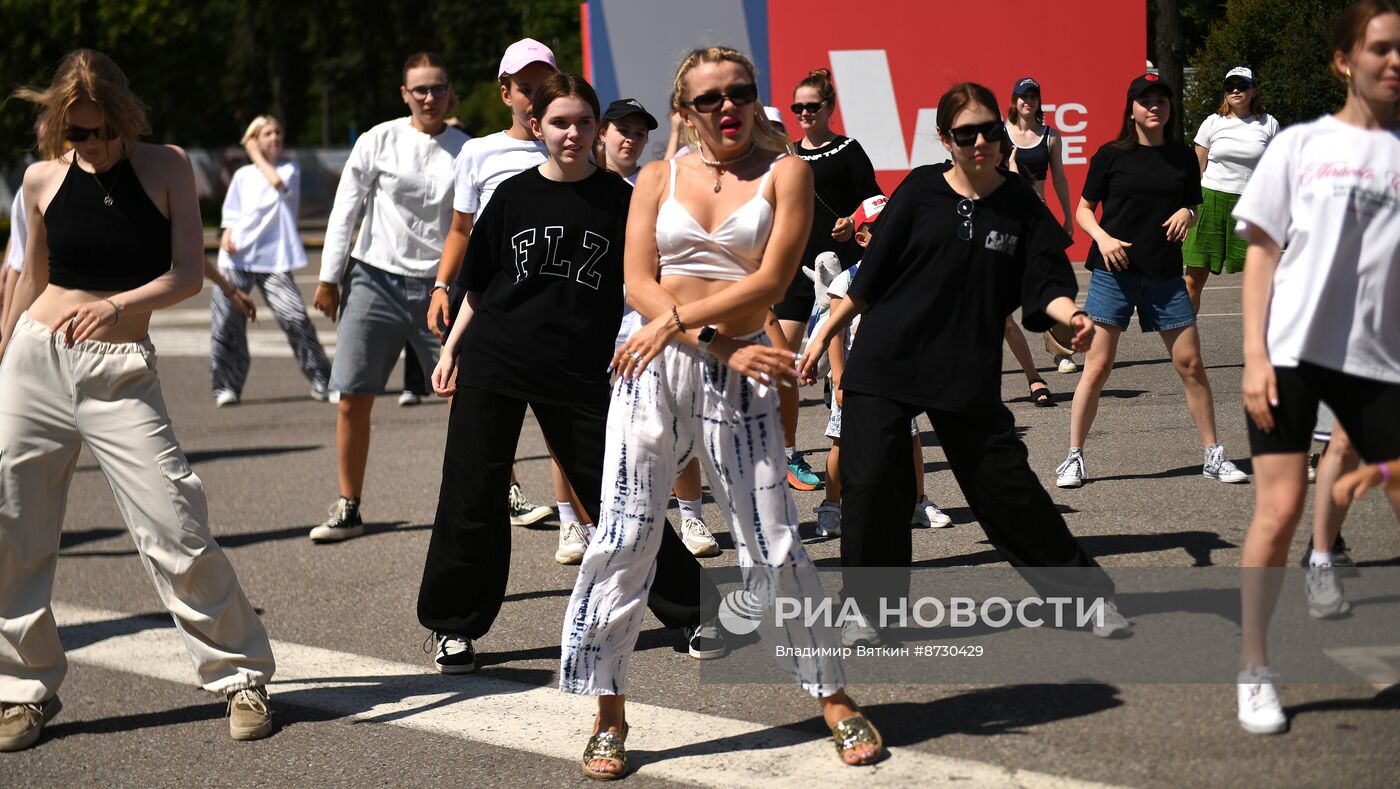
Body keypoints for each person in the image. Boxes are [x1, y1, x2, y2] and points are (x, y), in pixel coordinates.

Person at [561, 47, 884, 778]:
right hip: (649, 356)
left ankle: (832, 695)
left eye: (740, 92)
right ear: (686, 109)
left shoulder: (787, 172)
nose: (728, 106)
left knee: (770, 539)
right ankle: (607, 707)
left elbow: (769, 280)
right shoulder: (655, 176)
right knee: (624, 531)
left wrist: (707, 337)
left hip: (733, 354)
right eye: (710, 98)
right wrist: (700, 336)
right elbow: (636, 280)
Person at [0, 49, 275, 751]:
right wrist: (2, 357)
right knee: (12, 529)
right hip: (34, 363)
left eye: (99, 132)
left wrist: (118, 303)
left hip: (118, 365)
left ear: (124, 118)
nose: (89, 146)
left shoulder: (168, 166)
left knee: (174, 520)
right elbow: (29, 281)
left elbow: (186, 272)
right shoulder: (38, 180)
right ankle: (22, 690)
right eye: (74, 134)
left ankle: (241, 674)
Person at [799, 82, 1129, 648]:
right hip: (887, 358)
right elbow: (871, 276)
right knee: (874, 482)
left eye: (989, 131)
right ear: (944, 140)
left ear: (1002, 134)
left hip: (963, 366)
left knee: (1006, 492)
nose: (980, 142)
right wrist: (825, 331)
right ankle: (867, 610)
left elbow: (1045, 281)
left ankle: (1084, 597)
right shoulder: (921, 191)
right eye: (965, 133)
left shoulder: (1020, 205)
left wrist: (1070, 314)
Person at [417, 72, 721, 676]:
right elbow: (480, 286)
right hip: (495, 362)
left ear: (599, 130)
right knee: (470, 497)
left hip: (577, 370)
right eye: (560, 122)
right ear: (537, 127)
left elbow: (648, 283)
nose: (573, 133)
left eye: (585, 122)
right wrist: (452, 349)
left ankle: (693, 611)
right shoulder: (510, 196)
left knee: (619, 498)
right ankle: (454, 630)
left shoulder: (623, 201)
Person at [1232, 0, 1400, 735]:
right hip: (1291, 354)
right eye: (1381, 49)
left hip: (1379, 362)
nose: (1395, 62)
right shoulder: (1300, 144)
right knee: (1279, 512)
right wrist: (1253, 355)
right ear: (1344, 60)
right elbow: (1262, 251)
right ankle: (1254, 666)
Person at [1054, 74, 1248, 489]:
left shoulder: (1181, 157)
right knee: (1098, 366)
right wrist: (1103, 239)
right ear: (1131, 109)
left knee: (1191, 364)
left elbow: (1192, 205)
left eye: (1161, 100)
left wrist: (1187, 215)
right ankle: (1073, 457)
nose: (1154, 107)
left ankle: (1213, 455)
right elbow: (1085, 210)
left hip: (1163, 275)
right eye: (1145, 101)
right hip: (1114, 274)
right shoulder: (1110, 155)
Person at [308, 52, 469, 542]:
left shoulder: (467, 148)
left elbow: (474, 225)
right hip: (374, 279)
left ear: (449, 92)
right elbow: (345, 209)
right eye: (419, 89)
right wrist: (329, 276)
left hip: (440, 287)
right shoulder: (379, 139)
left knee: (463, 396)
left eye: (437, 88)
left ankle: (494, 493)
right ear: (404, 94)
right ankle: (349, 505)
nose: (429, 97)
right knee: (353, 395)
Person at [429, 38, 559, 540]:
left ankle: (579, 518)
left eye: (542, 88)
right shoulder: (479, 151)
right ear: (505, 93)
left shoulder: (572, 145)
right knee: (475, 416)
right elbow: (461, 229)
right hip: (486, 296)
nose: (533, 99)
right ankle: (496, 496)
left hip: (554, 299)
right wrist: (444, 286)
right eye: (524, 89)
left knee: (562, 417)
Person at [598, 97, 722, 558]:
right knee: (607, 437)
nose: (630, 139)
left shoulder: (657, 184)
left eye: (639, 132)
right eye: (622, 130)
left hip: (651, 325)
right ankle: (601, 526)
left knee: (673, 426)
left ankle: (691, 518)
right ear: (602, 134)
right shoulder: (586, 186)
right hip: (596, 329)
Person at [814, 195, 952, 539]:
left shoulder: (908, 275)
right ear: (861, 237)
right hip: (854, 377)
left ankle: (917, 503)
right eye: (880, 229)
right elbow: (835, 333)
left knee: (911, 441)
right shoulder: (845, 282)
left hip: (897, 376)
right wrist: (840, 376)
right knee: (842, 443)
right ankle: (831, 507)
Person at [780, 68, 883, 491]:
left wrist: (851, 219)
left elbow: (875, 201)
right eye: (797, 107)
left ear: (829, 108)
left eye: (811, 106)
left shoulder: (848, 149)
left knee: (841, 362)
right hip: (792, 268)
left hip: (840, 269)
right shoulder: (785, 153)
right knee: (782, 360)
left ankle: (847, 445)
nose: (803, 113)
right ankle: (785, 452)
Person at [211, 115, 332, 406]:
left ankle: (322, 380)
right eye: (267, 133)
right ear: (255, 137)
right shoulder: (242, 176)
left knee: (295, 318)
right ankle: (226, 387)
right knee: (226, 322)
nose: (275, 137)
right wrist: (228, 232)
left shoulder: (290, 170)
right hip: (236, 259)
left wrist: (253, 153)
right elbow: (232, 211)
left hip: (274, 259)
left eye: (278, 132)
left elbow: (276, 183)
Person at [1182, 67, 1279, 314]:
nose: (1236, 90)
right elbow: (1196, 170)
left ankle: (1265, 347)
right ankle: (1183, 346)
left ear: (1254, 90)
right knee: (1193, 280)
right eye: (1230, 86)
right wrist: (1187, 209)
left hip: (1251, 207)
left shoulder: (1269, 124)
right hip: (1210, 200)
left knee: (1262, 281)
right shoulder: (1212, 122)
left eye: (1242, 85)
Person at [1005, 76, 1081, 376]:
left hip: (1039, 220)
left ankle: (1061, 351)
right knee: (994, 287)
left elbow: (1059, 177)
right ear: (1014, 100)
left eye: (1034, 96)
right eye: (1023, 96)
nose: (1028, 101)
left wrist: (1067, 217)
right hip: (1004, 220)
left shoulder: (1050, 135)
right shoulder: (998, 134)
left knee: (1050, 286)